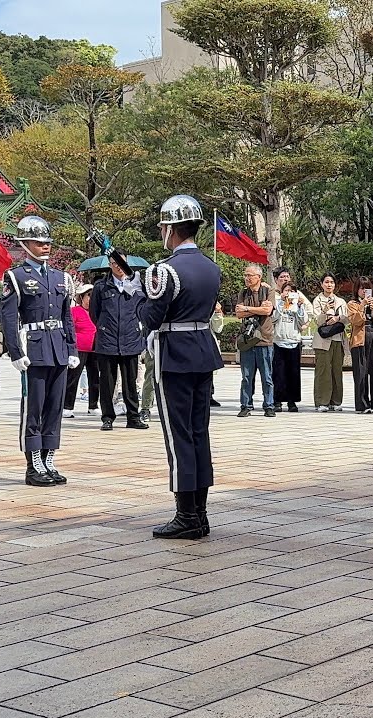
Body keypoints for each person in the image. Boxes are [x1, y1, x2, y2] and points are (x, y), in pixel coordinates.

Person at [139, 194, 224, 539]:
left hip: (174, 356)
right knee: (199, 432)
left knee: (179, 437)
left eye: (163, 227)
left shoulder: (164, 270)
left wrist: (138, 293)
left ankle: (186, 515)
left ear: (171, 229)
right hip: (202, 351)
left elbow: (150, 317)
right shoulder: (211, 267)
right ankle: (200, 514)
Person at [0, 216, 78, 487]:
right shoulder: (16, 277)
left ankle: (48, 460)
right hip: (34, 349)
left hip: (58, 348)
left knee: (55, 408)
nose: (45, 247)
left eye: (47, 243)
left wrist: (71, 347)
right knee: (33, 408)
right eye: (38, 242)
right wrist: (15, 352)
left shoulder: (61, 277)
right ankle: (33, 464)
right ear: (24, 244)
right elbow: (9, 318)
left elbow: (67, 316)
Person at [90, 263, 149, 431]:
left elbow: (144, 306)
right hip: (108, 340)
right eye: (114, 263)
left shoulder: (136, 284)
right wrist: (106, 327)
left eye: (121, 262)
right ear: (110, 264)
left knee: (130, 382)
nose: (118, 266)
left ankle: (133, 417)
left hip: (130, 339)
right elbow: (94, 313)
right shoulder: (101, 286)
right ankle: (107, 417)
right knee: (107, 382)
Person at [235, 264, 275, 417]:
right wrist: (256, 310)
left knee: (267, 376)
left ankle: (269, 405)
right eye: (245, 275)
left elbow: (267, 310)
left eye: (250, 275)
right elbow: (238, 313)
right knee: (246, 376)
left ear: (259, 277)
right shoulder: (243, 292)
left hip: (264, 339)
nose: (247, 278)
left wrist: (247, 309)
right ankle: (246, 405)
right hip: (247, 340)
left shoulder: (268, 291)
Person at [271, 267, 309, 412]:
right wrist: (281, 303)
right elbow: (273, 318)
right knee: (278, 373)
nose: (289, 293)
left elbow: (303, 321)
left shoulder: (298, 302)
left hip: (294, 341)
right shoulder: (276, 300)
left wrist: (300, 306)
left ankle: (292, 401)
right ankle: (277, 400)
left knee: (293, 373)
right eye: (286, 290)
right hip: (279, 341)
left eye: (291, 291)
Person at [348, 279, 373, 412]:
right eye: (361, 288)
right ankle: (362, 404)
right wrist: (362, 305)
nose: (364, 291)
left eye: (366, 288)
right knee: (361, 372)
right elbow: (354, 320)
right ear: (357, 290)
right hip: (359, 338)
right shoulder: (352, 304)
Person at [311, 273, 348, 412]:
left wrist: (338, 318)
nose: (329, 285)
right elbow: (317, 321)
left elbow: (347, 319)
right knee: (323, 371)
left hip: (338, 339)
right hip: (323, 341)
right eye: (326, 282)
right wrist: (325, 311)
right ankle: (322, 401)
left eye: (331, 282)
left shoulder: (341, 301)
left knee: (336, 371)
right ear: (322, 284)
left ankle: (336, 401)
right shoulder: (317, 300)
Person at [63, 283, 97, 419]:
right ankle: (67, 406)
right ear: (81, 297)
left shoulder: (98, 311)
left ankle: (93, 405)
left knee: (95, 378)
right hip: (79, 349)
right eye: (89, 295)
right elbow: (69, 329)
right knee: (73, 378)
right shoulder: (75, 311)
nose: (91, 299)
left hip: (95, 349)